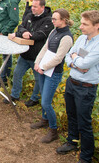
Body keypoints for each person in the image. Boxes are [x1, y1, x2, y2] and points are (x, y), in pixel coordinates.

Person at [57, 10, 99, 163]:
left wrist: (77, 60)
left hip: (86, 88)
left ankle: (86, 158)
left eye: (85, 24)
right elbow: (68, 57)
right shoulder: (81, 38)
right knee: (71, 114)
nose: (80, 26)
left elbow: (85, 64)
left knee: (84, 122)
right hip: (72, 83)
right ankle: (72, 142)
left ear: (97, 25)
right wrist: (77, 62)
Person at [31, 9, 74, 143]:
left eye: (55, 19)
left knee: (46, 102)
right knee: (43, 95)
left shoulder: (67, 37)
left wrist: (43, 67)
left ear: (64, 20)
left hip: (53, 72)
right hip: (44, 69)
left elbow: (59, 58)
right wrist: (37, 62)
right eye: (52, 19)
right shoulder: (54, 31)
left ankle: (53, 129)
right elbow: (45, 48)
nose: (52, 21)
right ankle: (44, 120)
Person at [5, 0, 53, 106]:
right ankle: (15, 95)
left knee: (38, 79)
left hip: (37, 56)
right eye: (32, 6)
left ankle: (34, 98)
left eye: (35, 7)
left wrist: (28, 34)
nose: (33, 9)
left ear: (42, 7)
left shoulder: (48, 20)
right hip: (25, 54)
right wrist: (24, 32)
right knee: (17, 74)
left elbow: (40, 34)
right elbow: (21, 27)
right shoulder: (29, 16)